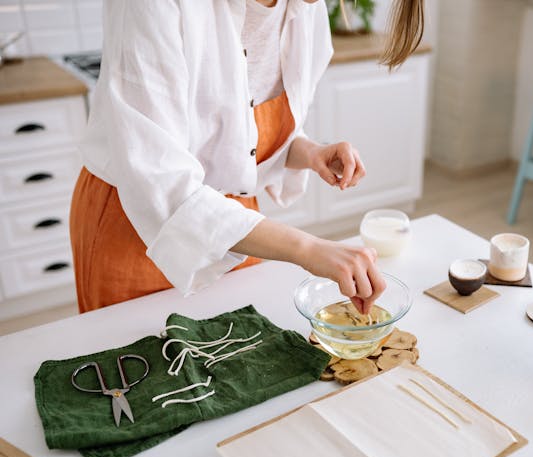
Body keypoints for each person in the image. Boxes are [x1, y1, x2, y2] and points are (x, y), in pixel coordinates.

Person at [70, 0, 424, 314]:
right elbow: (163, 181)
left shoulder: (304, 8)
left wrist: (306, 151)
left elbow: (237, 132)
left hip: (238, 226)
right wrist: (308, 247)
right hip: (135, 227)